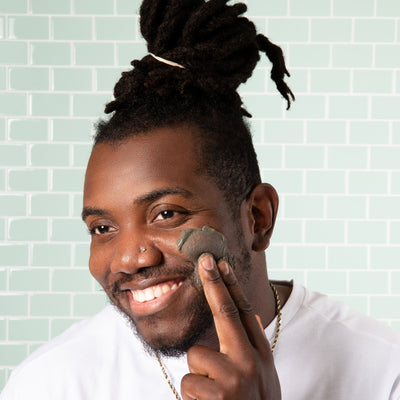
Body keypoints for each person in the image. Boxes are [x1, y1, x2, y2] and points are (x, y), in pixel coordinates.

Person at [1, 0, 400, 399]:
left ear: (258, 218)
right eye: (103, 228)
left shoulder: (383, 372)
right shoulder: (50, 383)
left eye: (166, 214)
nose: (130, 258)